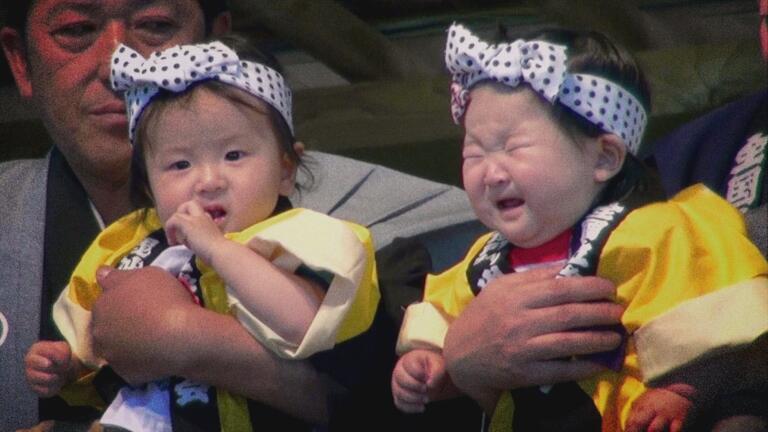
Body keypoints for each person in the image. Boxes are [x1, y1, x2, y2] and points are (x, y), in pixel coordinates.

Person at [0, 1, 627, 430]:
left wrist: (182, 333)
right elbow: (83, 338)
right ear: (20, 61)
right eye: (76, 30)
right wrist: (66, 363)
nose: (115, 62)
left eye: (156, 23)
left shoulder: (349, 229)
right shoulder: (120, 244)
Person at [392, 23, 768, 431]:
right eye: (474, 153)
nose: (491, 173)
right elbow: (445, 315)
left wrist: (682, 391)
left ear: (605, 158)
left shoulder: (653, 232)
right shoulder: (485, 258)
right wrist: (429, 360)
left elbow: (725, 333)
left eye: (514, 148)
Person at [23, 37, 380, 431]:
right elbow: (98, 339)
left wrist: (215, 248)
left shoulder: (307, 239)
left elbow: (302, 323)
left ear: (285, 170)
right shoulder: (130, 245)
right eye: (179, 164)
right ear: (147, 187)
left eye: (234, 156)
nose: (208, 181)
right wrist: (67, 365)